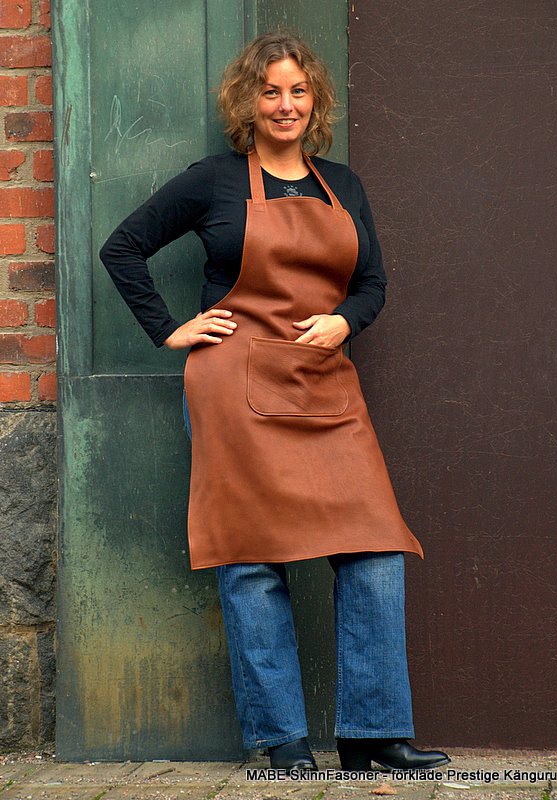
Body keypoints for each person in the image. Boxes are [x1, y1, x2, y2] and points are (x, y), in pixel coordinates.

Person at [100, 32, 450, 774]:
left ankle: (372, 735)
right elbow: (122, 248)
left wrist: (344, 322)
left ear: (315, 101)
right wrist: (169, 328)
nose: (285, 105)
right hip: (234, 384)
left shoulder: (342, 185)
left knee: (375, 547)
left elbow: (373, 283)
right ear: (247, 102)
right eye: (270, 92)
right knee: (253, 557)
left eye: (297, 91)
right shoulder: (215, 181)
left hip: (323, 383)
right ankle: (283, 739)